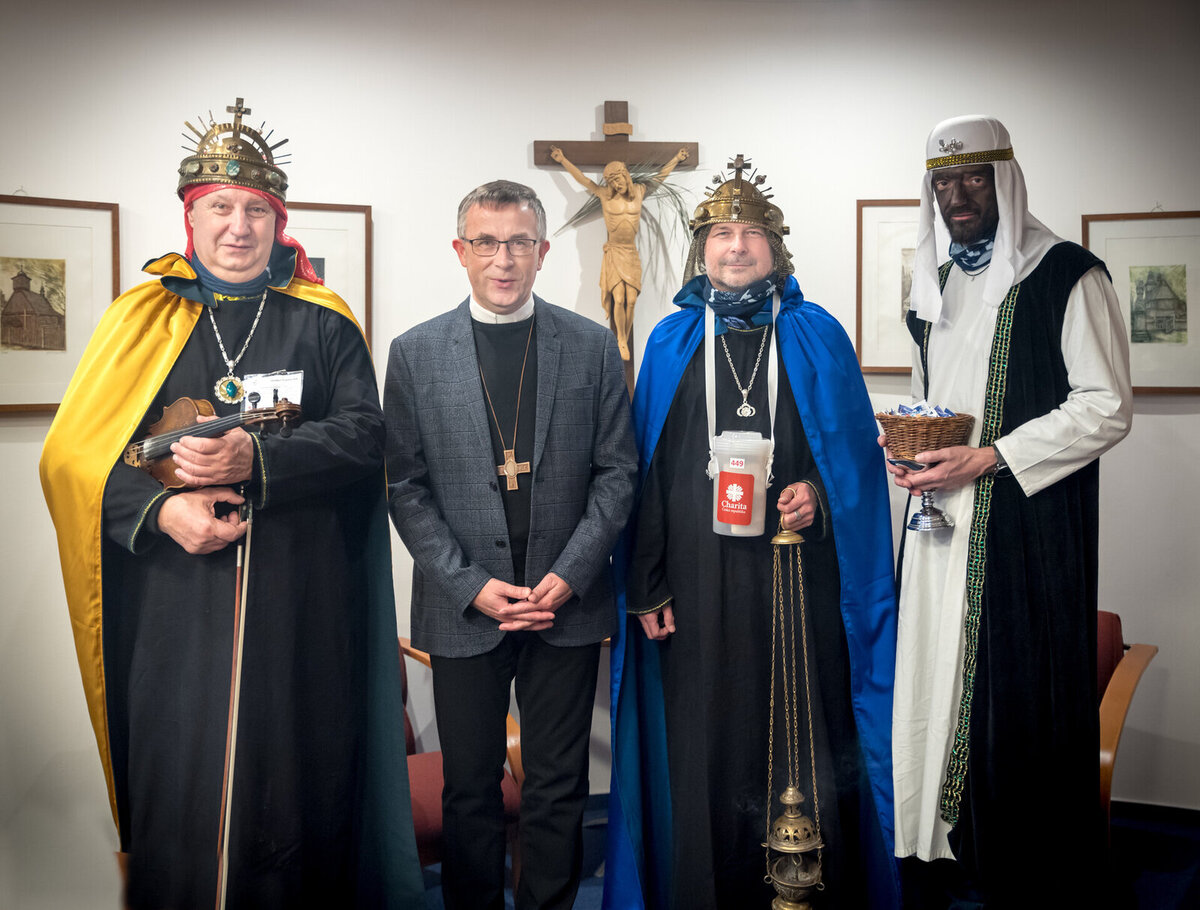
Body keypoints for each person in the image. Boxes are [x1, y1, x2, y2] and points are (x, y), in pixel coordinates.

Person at [39, 98, 422, 909]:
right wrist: (160, 513)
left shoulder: (323, 322)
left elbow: (365, 435)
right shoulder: (140, 319)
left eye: (256, 211)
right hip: (174, 604)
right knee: (184, 784)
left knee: (297, 785)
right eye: (220, 208)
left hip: (300, 596)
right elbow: (74, 459)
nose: (238, 227)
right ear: (192, 215)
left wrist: (260, 457)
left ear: (279, 222)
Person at [607, 155, 899, 909]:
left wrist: (816, 497)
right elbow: (643, 473)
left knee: (803, 728)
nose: (736, 247)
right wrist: (646, 585)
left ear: (776, 247)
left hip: (795, 577)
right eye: (721, 234)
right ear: (701, 248)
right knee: (704, 735)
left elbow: (853, 463)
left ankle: (811, 890)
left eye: (751, 234)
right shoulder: (671, 340)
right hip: (695, 582)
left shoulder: (817, 335)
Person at [886, 115, 1132, 907]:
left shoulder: (1067, 275)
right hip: (938, 521)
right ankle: (934, 844)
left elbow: (1106, 406)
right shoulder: (933, 283)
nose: (959, 196)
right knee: (931, 669)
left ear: (1005, 181)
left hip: (1024, 526)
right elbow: (934, 394)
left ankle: (1013, 862)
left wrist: (990, 457)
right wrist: (912, 447)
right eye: (945, 182)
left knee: (1012, 684)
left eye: (975, 178)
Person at [385, 179, 637, 910]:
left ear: (543, 251)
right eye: (487, 243)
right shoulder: (415, 353)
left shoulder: (591, 347)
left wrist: (571, 573)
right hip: (465, 607)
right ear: (460, 251)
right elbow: (405, 486)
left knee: (559, 785)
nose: (504, 259)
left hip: (566, 603)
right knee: (470, 788)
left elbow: (618, 473)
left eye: (520, 242)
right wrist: (472, 585)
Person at [548, 145, 689, 360]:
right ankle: (621, 340)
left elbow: (660, 177)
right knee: (619, 299)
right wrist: (562, 160)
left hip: (630, 252)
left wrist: (676, 159)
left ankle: (625, 334)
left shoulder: (639, 192)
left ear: (626, 176)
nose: (616, 184)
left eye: (618, 179)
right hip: (614, 252)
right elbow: (583, 180)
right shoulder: (605, 195)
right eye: (612, 181)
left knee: (631, 300)